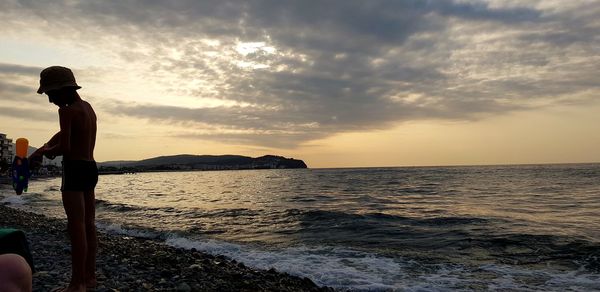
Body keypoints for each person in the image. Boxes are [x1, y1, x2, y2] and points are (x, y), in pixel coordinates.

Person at [30, 66, 98, 292]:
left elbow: (65, 146)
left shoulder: (65, 111)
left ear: (62, 90)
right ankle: (89, 277)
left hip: (74, 169)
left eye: (50, 95)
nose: (50, 101)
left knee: (75, 226)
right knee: (89, 225)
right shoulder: (87, 108)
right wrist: (44, 147)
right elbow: (63, 135)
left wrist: (46, 152)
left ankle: (76, 284)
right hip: (90, 167)